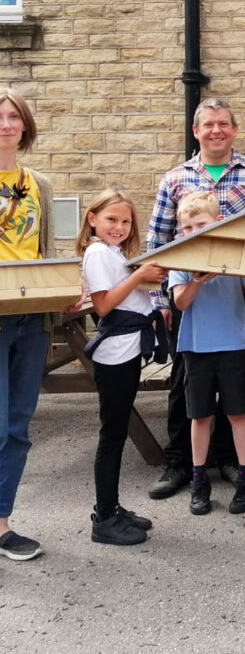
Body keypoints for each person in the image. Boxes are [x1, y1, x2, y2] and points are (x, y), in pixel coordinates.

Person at [146, 97, 245, 500]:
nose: (216, 131)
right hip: (188, 297)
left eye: (223, 123)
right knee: (185, 386)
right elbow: (159, 241)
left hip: (235, 292)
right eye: (208, 124)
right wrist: (162, 301)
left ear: (234, 129)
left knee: (235, 376)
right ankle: (181, 464)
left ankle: (228, 459)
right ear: (196, 131)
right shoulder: (174, 179)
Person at [167, 192, 245, 515]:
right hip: (196, 347)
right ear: (181, 230)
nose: (194, 230)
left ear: (219, 222)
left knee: (238, 413)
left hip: (233, 346)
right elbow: (180, 303)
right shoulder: (180, 257)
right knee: (200, 416)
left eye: (202, 223)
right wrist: (196, 281)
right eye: (187, 226)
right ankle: (199, 480)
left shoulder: (236, 256)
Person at [78, 189, 168, 545]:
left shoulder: (114, 253)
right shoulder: (98, 253)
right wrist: (139, 275)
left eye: (125, 221)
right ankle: (104, 517)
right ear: (93, 219)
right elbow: (103, 305)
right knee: (112, 436)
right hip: (114, 355)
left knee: (116, 433)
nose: (119, 226)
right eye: (111, 219)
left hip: (128, 351)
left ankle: (112, 508)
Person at [0, 90, 56, 561]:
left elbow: (49, 252)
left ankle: (2, 524)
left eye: (13, 115)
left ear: (25, 125)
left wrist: (67, 286)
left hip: (32, 318)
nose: (5, 123)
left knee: (17, 425)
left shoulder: (38, 182)